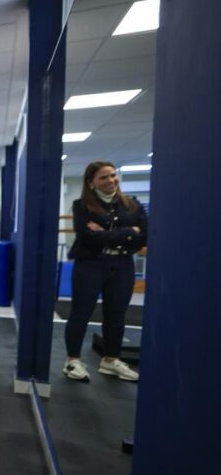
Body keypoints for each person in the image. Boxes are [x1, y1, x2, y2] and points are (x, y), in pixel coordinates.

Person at [62, 161, 147, 383]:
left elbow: (144, 236)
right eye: (104, 177)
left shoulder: (133, 205)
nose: (111, 180)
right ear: (91, 183)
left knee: (117, 314)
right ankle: (73, 360)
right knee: (81, 312)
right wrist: (129, 231)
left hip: (122, 264)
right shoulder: (82, 206)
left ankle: (111, 359)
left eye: (112, 175)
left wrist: (108, 233)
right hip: (90, 264)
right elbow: (87, 236)